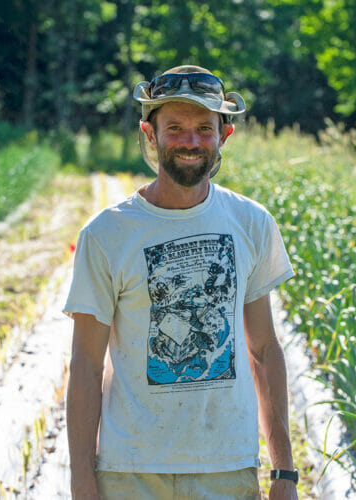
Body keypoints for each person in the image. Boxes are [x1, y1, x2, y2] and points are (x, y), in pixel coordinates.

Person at [64, 64, 298, 500]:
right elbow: (85, 364)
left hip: (227, 467)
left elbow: (263, 349)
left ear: (223, 136)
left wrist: (284, 471)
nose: (190, 142)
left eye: (203, 129)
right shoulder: (106, 234)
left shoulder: (252, 223)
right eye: (174, 127)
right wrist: (82, 479)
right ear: (149, 134)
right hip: (130, 469)